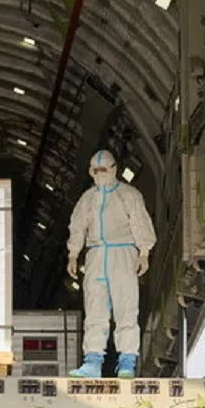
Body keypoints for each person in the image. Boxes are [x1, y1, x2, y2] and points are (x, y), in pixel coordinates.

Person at [66, 149, 156, 379]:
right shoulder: (88, 198)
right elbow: (77, 226)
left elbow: (140, 221)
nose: (99, 174)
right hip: (96, 256)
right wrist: (73, 253)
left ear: (114, 169)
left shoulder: (128, 194)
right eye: (95, 170)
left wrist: (144, 251)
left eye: (103, 169)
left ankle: (127, 361)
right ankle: (92, 362)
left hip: (123, 253)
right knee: (95, 309)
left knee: (126, 308)